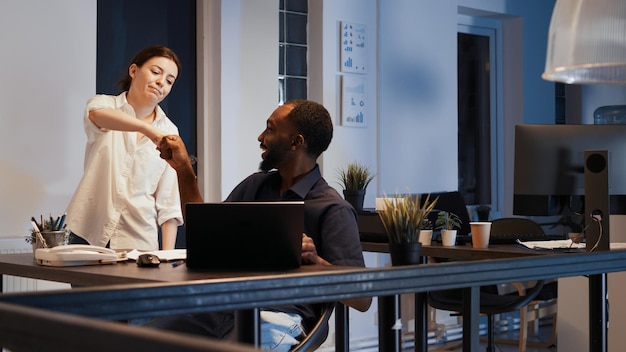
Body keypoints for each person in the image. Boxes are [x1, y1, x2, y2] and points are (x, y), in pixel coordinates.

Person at [153, 99, 372, 351]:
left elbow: (362, 298)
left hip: (279, 316)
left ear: (296, 142)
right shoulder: (254, 186)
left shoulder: (333, 209)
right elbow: (204, 229)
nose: (261, 137)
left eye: (270, 129)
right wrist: (182, 168)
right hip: (224, 308)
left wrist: (316, 262)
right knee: (134, 340)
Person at [64, 45, 184, 250]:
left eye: (169, 81)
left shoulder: (170, 131)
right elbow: (97, 116)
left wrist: (168, 257)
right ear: (134, 71)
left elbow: (169, 202)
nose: (161, 82)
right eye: (156, 72)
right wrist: (148, 129)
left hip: (138, 242)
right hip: (88, 233)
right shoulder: (104, 104)